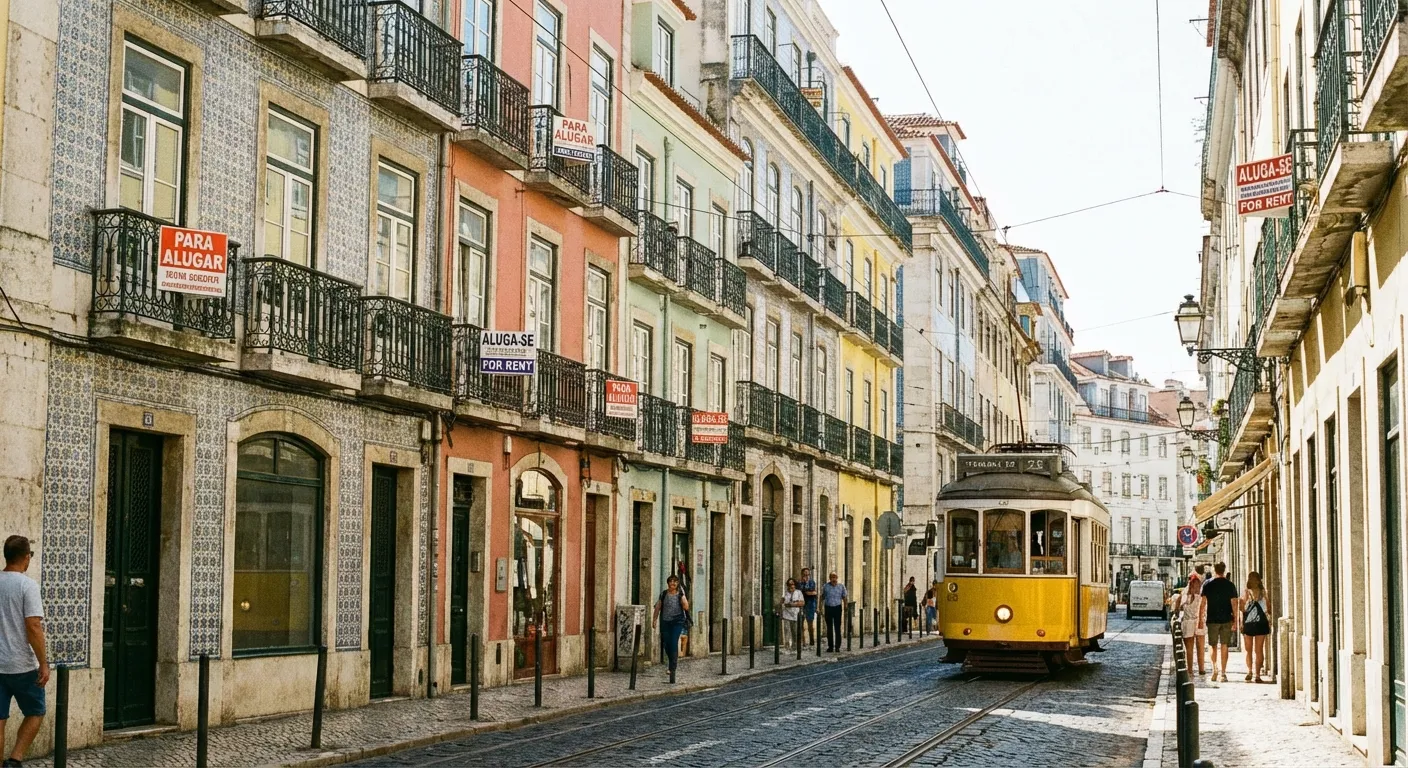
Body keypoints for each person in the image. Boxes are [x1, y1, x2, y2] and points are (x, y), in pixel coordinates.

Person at [0, 536, 46, 767]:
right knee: (36, 710)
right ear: (27, 557)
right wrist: (44, 663)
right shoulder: (27, 585)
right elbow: (33, 626)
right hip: (21, 666)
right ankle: (15, 759)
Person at [1200, 561, 1240, 682]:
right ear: (1224, 570)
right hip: (1226, 619)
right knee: (1224, 645)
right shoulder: (1230, 585)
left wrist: (1200, 619)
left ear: (1214, 570)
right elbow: (1234, 603)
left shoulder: (1207, 584)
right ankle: (1223, 673)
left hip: (1212, 619)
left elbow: (1202, 604)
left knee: (1212, 645)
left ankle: (1214, 669)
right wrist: (1236, 620)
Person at [652, 575, 689, 681]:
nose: (672, 583)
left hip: (677, 622)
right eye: (670, 581)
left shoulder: (680, 594)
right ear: (668, 583)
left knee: (673, 642)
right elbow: (658, 607)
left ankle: (672, 667)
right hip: (665, 622)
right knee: (666, 645)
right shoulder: (663, 594)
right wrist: (654, 619)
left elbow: (686, 607)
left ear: (677, 584)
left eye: (675, 582)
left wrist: (683, 598)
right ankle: (672, 663)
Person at [1172, 574, 1207, 676]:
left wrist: (1177, 611)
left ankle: (1192, 670)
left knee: (1191, 648)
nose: (1197, 586)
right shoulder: (1200, 594)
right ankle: (1199, 669)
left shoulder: (1186, 595)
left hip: (1190, 622)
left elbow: (1177, 600)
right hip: (1197, 621)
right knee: (1198, 647)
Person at [1241, 571, 1272, 683]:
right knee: (1258, 650)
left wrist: (1241, 622)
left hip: (1248, 623)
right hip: (1261, 623)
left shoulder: (1246, 593)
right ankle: (1257, 675)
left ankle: (1250, 671)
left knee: (1249, 650)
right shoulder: (1264, 593)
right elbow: (1269, 609)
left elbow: (1242, 609)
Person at [820, 572, 847, 652]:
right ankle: (830, 646)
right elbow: (821, 597)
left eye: (835, 577)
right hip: (828, 608)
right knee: (829, 628)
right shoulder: (825, 586)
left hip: (837, 608)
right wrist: (819, 608)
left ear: (837, 577)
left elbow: (844, 597)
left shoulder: (841, 586)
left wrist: (845, 606)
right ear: (829, 578)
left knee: (837, 628)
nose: (833, 579)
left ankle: (837, 646)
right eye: (832, 577)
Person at [780, 579, 804, 648]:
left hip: (795, 614)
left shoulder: (798, 592)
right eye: (789, 585)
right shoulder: (785, 593)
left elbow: (802, 603)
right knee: (787, 630)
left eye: (792, 584)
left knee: (795, 631)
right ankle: (787, 645)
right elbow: (781, 602)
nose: (791, 586)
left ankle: (795, 645)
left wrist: (793, 604)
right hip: (786, 614)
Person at [798, 568, 818, 646]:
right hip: (802, 604)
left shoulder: (812, 582)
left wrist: (807, 591)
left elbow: (813, 592)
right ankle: (803, 642)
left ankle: (812, 641)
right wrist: (808, 592)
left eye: (807, 574)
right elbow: (800, 591)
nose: (806, 576)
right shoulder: (799, 583)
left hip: (810, 604)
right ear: (802, 574)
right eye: (804, 574)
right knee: (801, 623)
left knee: (810, 623)